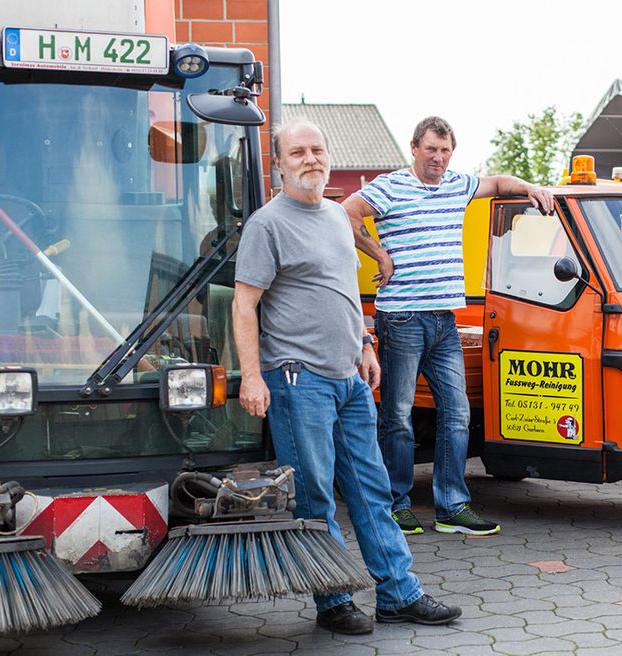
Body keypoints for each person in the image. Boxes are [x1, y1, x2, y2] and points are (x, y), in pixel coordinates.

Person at [232, 119, 461, 635]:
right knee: (315, 495)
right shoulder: (267, 225)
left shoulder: (337, 216)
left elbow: (343, 290)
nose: (310, 158)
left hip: (349, 378)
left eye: (317, 149)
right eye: (298, 152)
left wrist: (364, 343)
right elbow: (245, 305)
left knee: (372, 488)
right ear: (279, 163)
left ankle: (399, 594)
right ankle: (333, 600)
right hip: (297, 379)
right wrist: (252, 376)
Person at [342, 116, 553, 537]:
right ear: (415, 148)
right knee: (398, 416)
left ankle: (452, 506)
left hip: (444, 319)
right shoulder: (391, 186)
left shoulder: (458, 184)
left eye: (445, 150)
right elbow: (346, 212)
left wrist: (530, 188)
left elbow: (496, 183)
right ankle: (396, 505)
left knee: (457, 412)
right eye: (431, 149)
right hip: (401, 316)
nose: (438, 158)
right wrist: (378, 255)